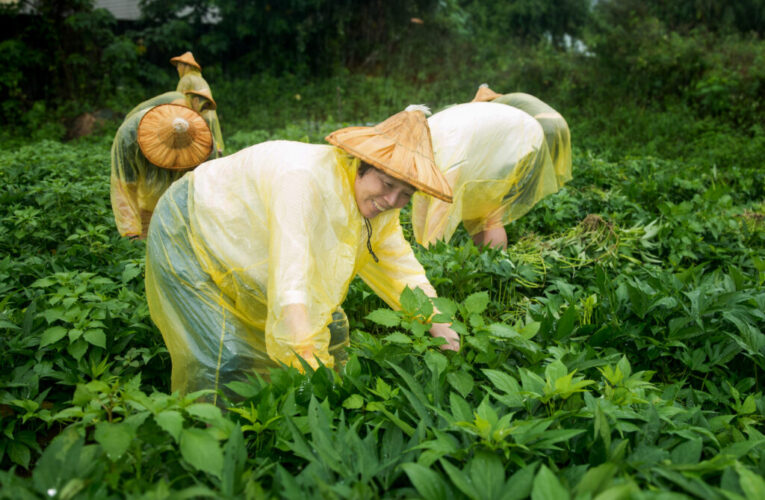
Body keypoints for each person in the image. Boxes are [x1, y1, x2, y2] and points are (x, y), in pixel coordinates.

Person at [144, 105, 460, 404]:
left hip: (246, 241)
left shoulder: (379, 209)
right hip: (190, 227)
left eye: (405, 194)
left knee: (325, 330)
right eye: (387, 183)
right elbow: (290, 280)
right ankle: (215, 440)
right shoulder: (302, 181)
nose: (391, 199)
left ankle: (296, 413)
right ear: (361, 164)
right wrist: (306, 357)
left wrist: (441, 327)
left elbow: (399, 269)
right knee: (225, 359)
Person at [411, 101, 561, 249]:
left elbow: (442, 199)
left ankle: (493, 264)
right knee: (479, 210)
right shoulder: (427, 136)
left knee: (488, 215)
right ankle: (485, 262)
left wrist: (428, 248)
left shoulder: (445, 148)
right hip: (507, 136)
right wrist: (421, 241)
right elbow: (425, 197)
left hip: (518, 140)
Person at [110, 98, 214, 240]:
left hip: (183, 208)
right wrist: (131, 231)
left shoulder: (204, 142)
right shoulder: (130, 136)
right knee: (146, 243)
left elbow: (208, 187)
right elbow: (125, 188)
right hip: (146, 209)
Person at [472, 84, 572, 189]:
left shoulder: (493, 107)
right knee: (549, 166)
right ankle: (551, 196)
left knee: (528, 173)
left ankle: (521, 200)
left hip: (543, 125)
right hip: (561, 123)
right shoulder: (511, 100)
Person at [171, 51, 225, 156]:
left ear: (185, 66)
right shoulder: (201, 80)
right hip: (210, 118)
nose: (177, 69)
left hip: (197, 118)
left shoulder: (185, 80)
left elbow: (179, 103)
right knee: (212, 148)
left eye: (179, 66)